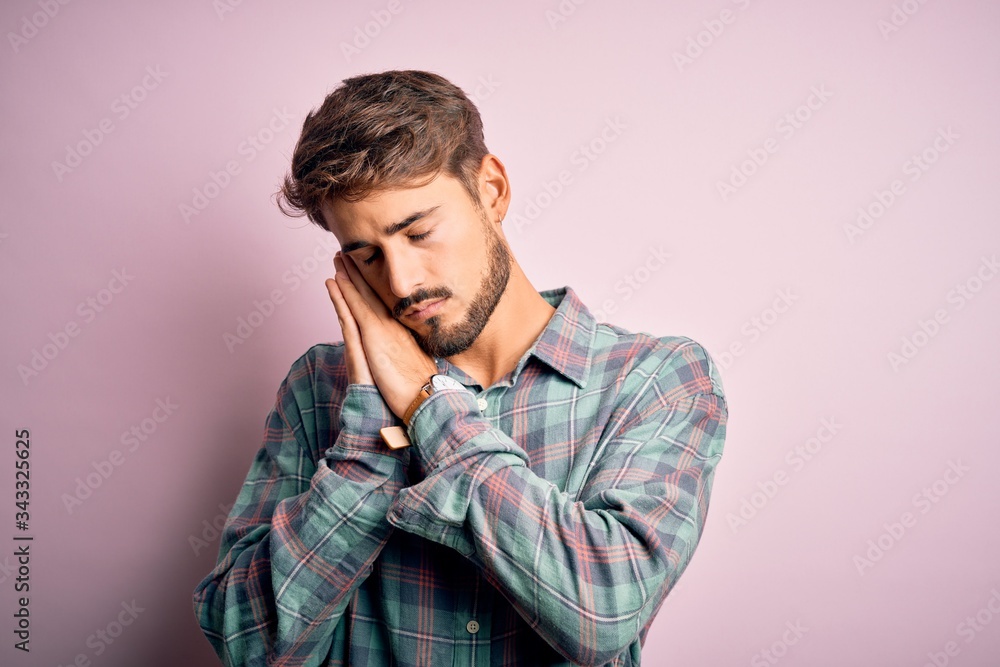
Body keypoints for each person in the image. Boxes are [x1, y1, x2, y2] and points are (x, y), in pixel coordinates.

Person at [192, 69, 729, 667]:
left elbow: (602, 611)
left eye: (419, 232)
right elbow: (245, 643)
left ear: (492, 190)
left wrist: (429, 403)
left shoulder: (656, 380)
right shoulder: (320, 389)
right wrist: (366, 445)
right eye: (365, 255)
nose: (401, 282)